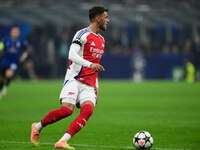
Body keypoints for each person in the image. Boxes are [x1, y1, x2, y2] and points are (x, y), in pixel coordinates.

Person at [30, 6, 109, 149]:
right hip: (75, 79)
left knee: (88, 111)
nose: (108, 20)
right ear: (98, 18)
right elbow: (71, 55)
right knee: (67, 110)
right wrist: (90, 65)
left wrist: (96, 86)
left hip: (89, 83)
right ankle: (37, 127)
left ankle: (62, 141)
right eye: (106, 17)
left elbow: (96, 65)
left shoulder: (102, 40)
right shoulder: (82, 34)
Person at [0, 26, 28, 99]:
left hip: (14, 62)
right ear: (11, 32)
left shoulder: (21, 41)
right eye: (14, 31)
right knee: (1, 78)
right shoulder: (5, 40)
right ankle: (2, 88)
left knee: (9, 74)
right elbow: (1, 46)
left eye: (17, 31)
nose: (15, 33)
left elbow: (27, 49)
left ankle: (5, 87)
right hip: (5, 61)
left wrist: (24, 56)